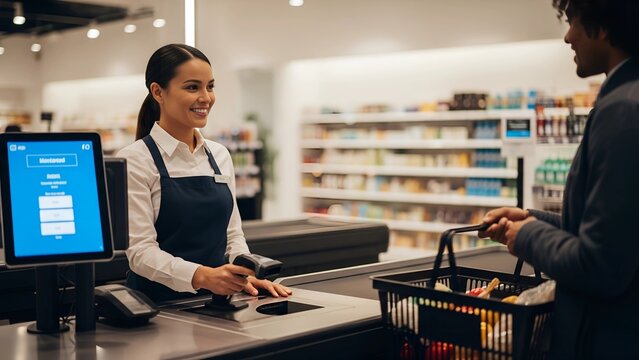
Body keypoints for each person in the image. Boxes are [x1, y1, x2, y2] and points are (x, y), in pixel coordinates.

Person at [479, 1, 639, 358]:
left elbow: (601, 266)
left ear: (605, 24)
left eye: (573, 22)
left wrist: (528, 236)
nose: (568, 37)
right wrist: (534, 219)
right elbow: (614, 230)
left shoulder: (624, 109)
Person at [117, 44, 291, 303]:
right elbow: (141, 253)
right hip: (156, 308)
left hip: (217, 303)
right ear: (158, 92)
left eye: (210, 86)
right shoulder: (134, 160)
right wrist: (201, 276)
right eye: (192, 87)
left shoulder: (220, 155)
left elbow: (232, 234)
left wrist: (243, 274)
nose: (206, 97)